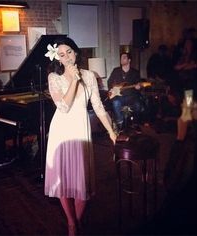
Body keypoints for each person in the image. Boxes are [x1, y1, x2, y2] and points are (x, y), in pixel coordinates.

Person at [44, 37, 116, 236]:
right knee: (64, 179)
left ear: (76, 53)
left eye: (69, 52)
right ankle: (71, 223)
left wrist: (111, 132)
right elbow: (64, 107)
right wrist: (74, 80)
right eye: (61, 54)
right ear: (57, 58)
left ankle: (77, 219)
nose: (66, 57)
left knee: (82, 181)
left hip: (81, 129)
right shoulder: (53, 77)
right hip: (62, 130)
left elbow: (99, 108)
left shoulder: (90, 76)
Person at [107, 52, 145, 133]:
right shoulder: (116, 70)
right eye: (121, 58)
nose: (121, 59)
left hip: (132, 96)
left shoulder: (135, 72)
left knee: (138, 105)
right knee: (115, 103)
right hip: (119, 97)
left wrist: (139, 87)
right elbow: (109, 82)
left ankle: (135, 124)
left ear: (129, 60)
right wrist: (113, 88)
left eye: (124, 58)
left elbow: (139, 85)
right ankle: (120, 124)